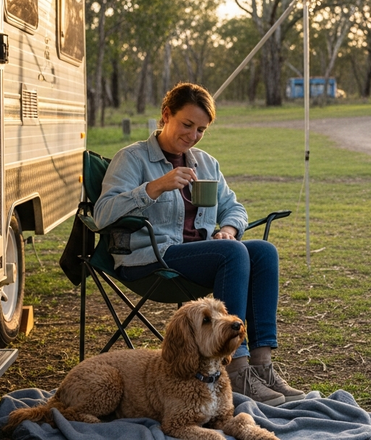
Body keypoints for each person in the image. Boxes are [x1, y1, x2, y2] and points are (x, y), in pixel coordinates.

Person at [92, 82, 304, 407]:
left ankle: (262, 366)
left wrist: (229, 229)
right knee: (232, 254)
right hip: (153, 258)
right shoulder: (132, 159)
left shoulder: (205, 163)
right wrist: (154, 187)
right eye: (186, 125)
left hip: (202, 257)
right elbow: (102, 214)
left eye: (201, 129)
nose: (192, 135)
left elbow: (234, 207)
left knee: (263, 252)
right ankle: (237, 369)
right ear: (166, 116)